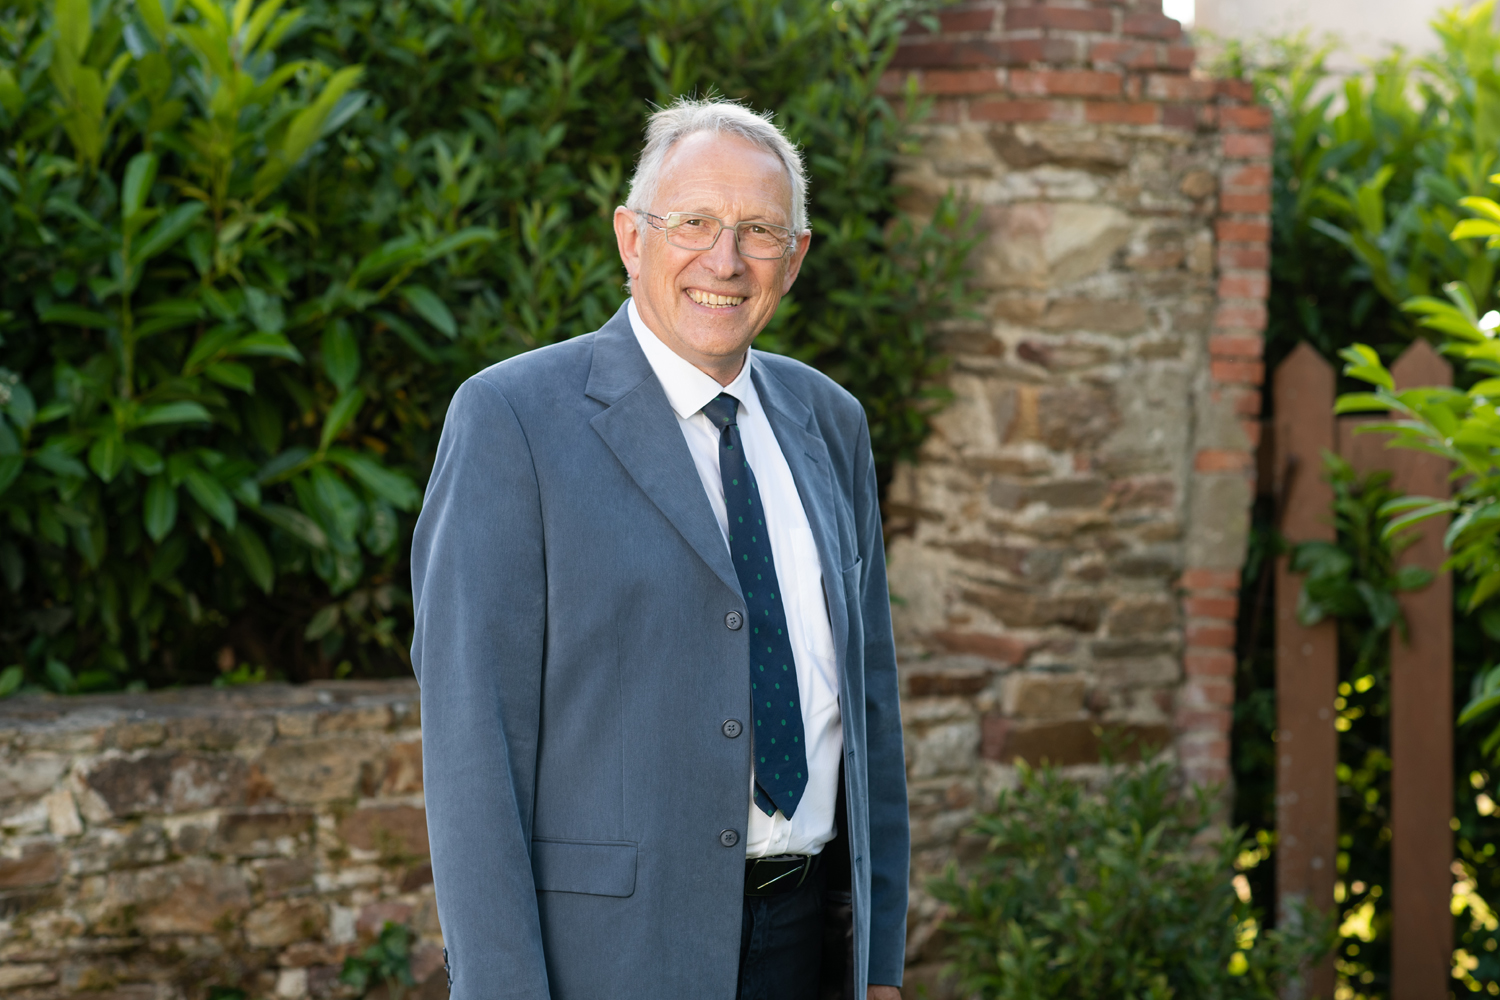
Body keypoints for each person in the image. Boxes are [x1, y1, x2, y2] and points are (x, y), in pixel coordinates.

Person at [410, 96, 908, 1000]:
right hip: (606, 958)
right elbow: (471, 742)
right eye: (693, 223)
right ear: (630, 237)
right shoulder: (512, 420)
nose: (724, 259)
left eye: (759, 230)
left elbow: (870, 709)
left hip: (810, 948)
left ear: (793, 260)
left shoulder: (832, 423)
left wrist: (879, 965)